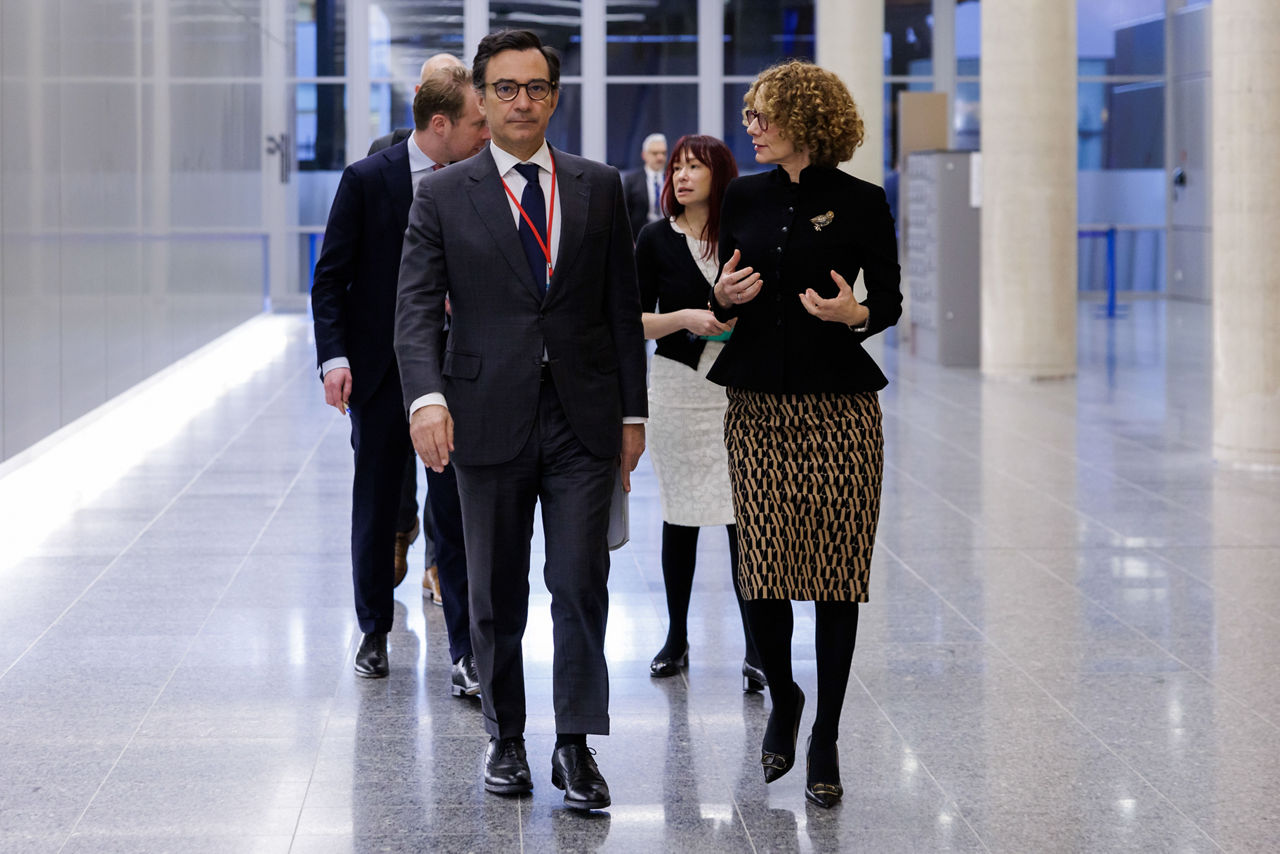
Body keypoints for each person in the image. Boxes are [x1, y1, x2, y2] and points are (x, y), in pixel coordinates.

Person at [394, 29, 647, 812]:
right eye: (505, 88)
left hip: (582, 418)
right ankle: (505, 737)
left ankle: (575, 745)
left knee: (579, 582)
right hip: (484, 415)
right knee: (495, 590)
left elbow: (620, 308)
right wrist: (426, 399)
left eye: (536, 87)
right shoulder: (443, 193)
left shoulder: (599, 185)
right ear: (481, 97)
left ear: (555, 97)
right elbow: (414, 309)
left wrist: (632, 413)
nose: (522, 102)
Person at [708, 60, 902, 809]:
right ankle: (785, 694)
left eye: (764, 115)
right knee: (762, 564)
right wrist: (722, 296)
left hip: (841, 409)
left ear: (805, 120)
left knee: (834, 571)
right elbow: (722, 299)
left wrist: (856, 314)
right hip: (756, 402)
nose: (751, 127)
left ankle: (826, 735)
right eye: (749, 114)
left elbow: (888, 300)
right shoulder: (742, 196)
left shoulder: (862, 201)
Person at [312, 65, 490, 684]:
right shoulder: (367, 178)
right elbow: (330, 279)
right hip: (380, 371)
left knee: (456, 509)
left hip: (457, 368)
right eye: (476, 122)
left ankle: (465, 649)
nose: (486, 132)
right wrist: (334, 359)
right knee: (378, 501)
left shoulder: (480, 177)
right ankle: (372, 630)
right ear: (440, 124)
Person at [633, 134, 765, 693]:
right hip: (678, 389)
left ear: (720, 174)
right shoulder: (655, 238)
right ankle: (676, 637)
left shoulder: (745, 235)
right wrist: (686, 317)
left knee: (743, 517)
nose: (681, 176)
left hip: (739, 388)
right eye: (677, 168)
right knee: (681, 514)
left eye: (694, 167)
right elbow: (633, 319)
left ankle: (756, 646)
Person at [370, 52, 468, 606]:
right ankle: (402, 524)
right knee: (400, 450)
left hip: (455, 338)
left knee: (444, 459)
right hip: (400, 331)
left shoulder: (471, 155)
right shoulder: (384, 153)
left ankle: (435, 561)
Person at [622, 133, 668, 240]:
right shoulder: (632, 180)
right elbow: (624, 214)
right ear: (644, 155)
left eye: (663, 153)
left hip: (668, 237)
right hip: (639, 238)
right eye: (655, 153)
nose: (660, 157)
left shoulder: (673, 178)